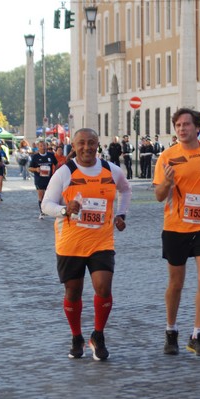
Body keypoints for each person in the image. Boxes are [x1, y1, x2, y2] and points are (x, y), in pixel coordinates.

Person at [42, 128, 132, 361]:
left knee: (103, 287)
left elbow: (126, 189)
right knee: (74, 291)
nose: (87, 147)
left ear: (98, 144)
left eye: (91, 142)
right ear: (74, 145)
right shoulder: (65, 172)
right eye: (81, 143)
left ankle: (98, 335)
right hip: (70, 243)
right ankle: (76, 337)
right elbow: (46, 204)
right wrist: (64, 209)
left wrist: (121, 214)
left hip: (101, 241)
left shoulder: (111, 170)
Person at [153, 107, 200, 358]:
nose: (182, 129)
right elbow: (158, 196)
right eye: (178, 126)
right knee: (176, 283)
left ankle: (197, 334)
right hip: (176, 227)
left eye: (186, 124)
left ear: (197, 128)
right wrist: (167, 181)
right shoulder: (167, 157)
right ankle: (171, 330)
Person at [29, 140, 58, 218]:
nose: (43, 147)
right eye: (41, 146)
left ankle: (49, 209)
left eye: (44, 145)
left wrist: (55, 171)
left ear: (47, 146)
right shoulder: (35, 157)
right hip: (39, 179)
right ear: (38, 147)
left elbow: (56, 163)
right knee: (41, 195)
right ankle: (42, 211)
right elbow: (30, 168)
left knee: (49, 195)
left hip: (49, 179)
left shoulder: (51, 155)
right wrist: (36, 169)